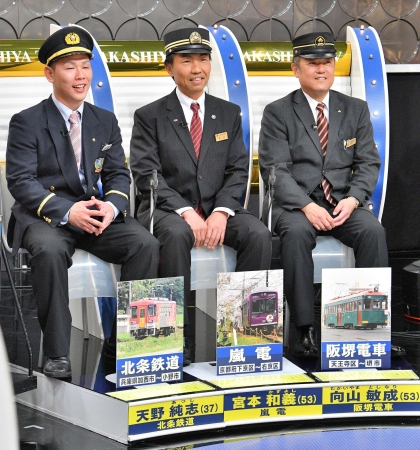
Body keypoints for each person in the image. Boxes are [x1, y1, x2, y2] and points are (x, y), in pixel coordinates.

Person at [6, 26, 159, 378]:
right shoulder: (26, 122)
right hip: (47, 216)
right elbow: (21, 181)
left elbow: (119, 174)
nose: (81, 75)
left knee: (145, 244)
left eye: (85, 65)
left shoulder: (103, 120)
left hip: (93, 213)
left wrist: (112, 206)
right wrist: (66, 211)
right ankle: (57, 353)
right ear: (49, 73)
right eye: (70, 66)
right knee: (49, 251)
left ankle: (124, 342)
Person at [130, 27, 272, 361]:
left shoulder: (228, 112)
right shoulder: (149, 116)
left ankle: (245, 335)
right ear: (169, 68)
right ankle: (177, 338)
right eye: (187, 60)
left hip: (216, 208)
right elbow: (146, 174)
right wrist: (186, 211)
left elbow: (239, 170)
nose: (197, 68)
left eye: (204, 59)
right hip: (168, 211)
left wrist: (222, 210)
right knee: (177, 235)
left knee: (258, 234)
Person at [258, 31, 403, 358]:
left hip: (343, 204)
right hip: (297, 206)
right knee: (295, 235)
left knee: (372, 231)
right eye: (312, 64)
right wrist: (307, 206)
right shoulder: (278, 112)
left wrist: (353, 199)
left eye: (327, 62)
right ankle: (303, 330)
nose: (321, 69)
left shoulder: (356, 109)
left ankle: (370, 329)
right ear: (296, 69)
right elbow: (275, 171)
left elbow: (368, 162)